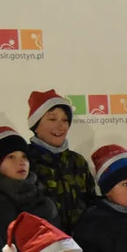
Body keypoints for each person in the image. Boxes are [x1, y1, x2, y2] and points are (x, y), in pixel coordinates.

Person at [25, 89, 97, 233]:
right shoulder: (25, 160)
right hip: (44, 246)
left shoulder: (78, 161)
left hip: (81, 246)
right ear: (36, 126)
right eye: (52, 119)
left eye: (65, 120)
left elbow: (92, 202)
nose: (60, 126)